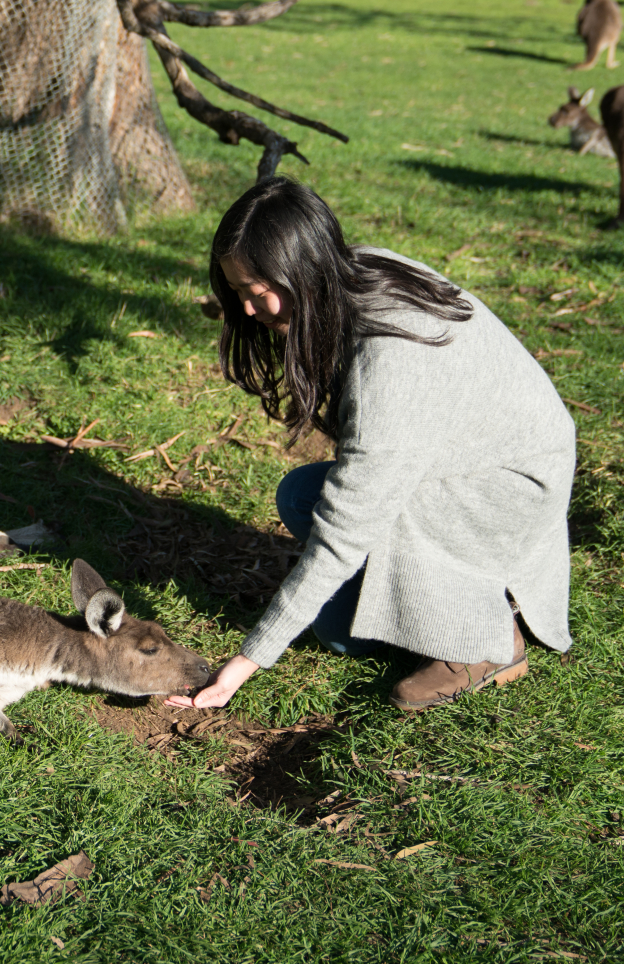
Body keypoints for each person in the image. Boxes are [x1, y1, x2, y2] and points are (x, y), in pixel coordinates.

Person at [166, 177, 575, 713]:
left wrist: (246, 663)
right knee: (301, 495)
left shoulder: (391, 365)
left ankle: (487, 645)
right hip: (476, 459)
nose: (246, 310)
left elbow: (347, 525)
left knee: (343, 633)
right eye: (236, 292)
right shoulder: (351, 272)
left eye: (255, 289)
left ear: (300, 268)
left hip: (509, 489)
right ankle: (435, 606)